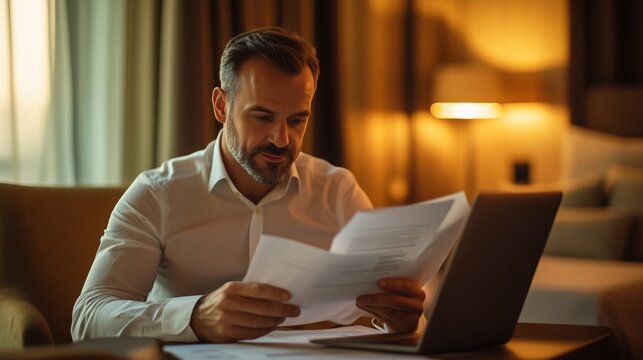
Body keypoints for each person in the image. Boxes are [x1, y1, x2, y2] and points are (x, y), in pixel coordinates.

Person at [72, 26, 425, 343]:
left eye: (297, 120)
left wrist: (396, 320)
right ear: (221, 106)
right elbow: (88, 317)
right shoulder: (158, 193)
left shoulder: (339, 191)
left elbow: (380, 308)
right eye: (263, 116)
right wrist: (195, 317)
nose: (282, 139)